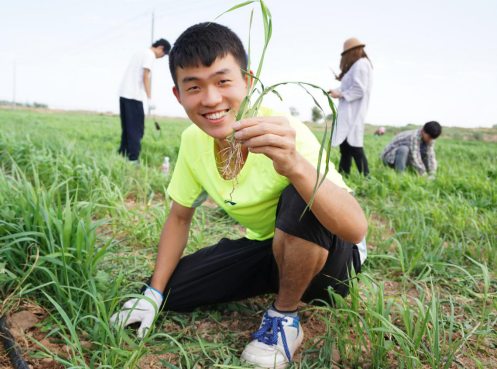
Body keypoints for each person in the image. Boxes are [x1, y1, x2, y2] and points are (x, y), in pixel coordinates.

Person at [110, 23, 368, 368]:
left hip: (334, 264)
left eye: (223, 81)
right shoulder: (192, 140)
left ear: (248, 79)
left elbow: (354, 230)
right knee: (174, 289)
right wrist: (154, 294)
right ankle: (162, 295)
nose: (211, 99)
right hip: (273, 252)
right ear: (178, 96)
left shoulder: (282, 131)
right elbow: (179, 216)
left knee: (299, 192)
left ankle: (284, 317)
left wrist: (294, 164)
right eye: (194, 86)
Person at [118, 39, 171, 163]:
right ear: (160, 48)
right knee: (136, 129)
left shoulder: (139, 52)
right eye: (163, 55)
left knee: (126, 127)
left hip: (123, 94)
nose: (160, 57)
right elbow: (145, 76)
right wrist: (150, 98)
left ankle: (122, 153)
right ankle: (133, 158)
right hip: (134, 96)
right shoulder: (150, 54)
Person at [328, 38, 373, 177]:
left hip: (352, 113)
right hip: (349, 112)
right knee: (346, 147)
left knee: (354, 146)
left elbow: (359, 90)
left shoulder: (361, 65)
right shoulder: (358, 65)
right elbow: (350, 87)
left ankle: (366, 177)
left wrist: (340, 95)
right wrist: (336, 91)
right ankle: (344, 174)